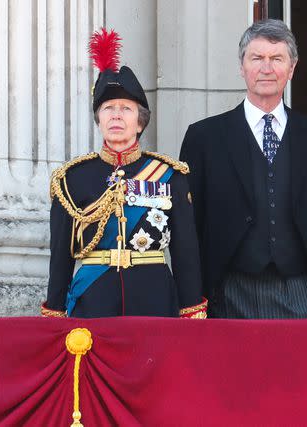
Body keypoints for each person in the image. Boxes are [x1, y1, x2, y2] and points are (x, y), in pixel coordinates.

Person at [179, 19, 307, 318]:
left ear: (291, 69)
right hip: (228, 290)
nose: (267, 68)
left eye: (277, 59)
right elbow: (189, 226)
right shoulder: (204, 138)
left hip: (300, 290)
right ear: (242, 67)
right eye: (257, 58)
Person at [41, 28, 206, 318]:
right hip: (93, 301)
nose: (116, 115)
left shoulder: (170, 175)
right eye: (108, 108)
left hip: (153, 300)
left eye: (126, 109)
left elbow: (186, 255)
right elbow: (60, 260)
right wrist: (54, 314)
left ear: (140, 123)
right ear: (99, 119)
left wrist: (191, 312)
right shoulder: (71, 179)